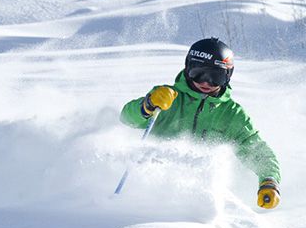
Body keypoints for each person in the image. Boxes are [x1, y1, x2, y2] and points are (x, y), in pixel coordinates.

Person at [120, 37, 281, 209]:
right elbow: (127, 118)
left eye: (215, 77)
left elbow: (255, 149)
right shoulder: (167, 96)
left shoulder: (232, 114)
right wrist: (147, 105)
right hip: (148, 188)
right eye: (198, 73)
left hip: (199, 197)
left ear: (227, 76)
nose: (205, 82)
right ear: (187, 68)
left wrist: (269, 181)